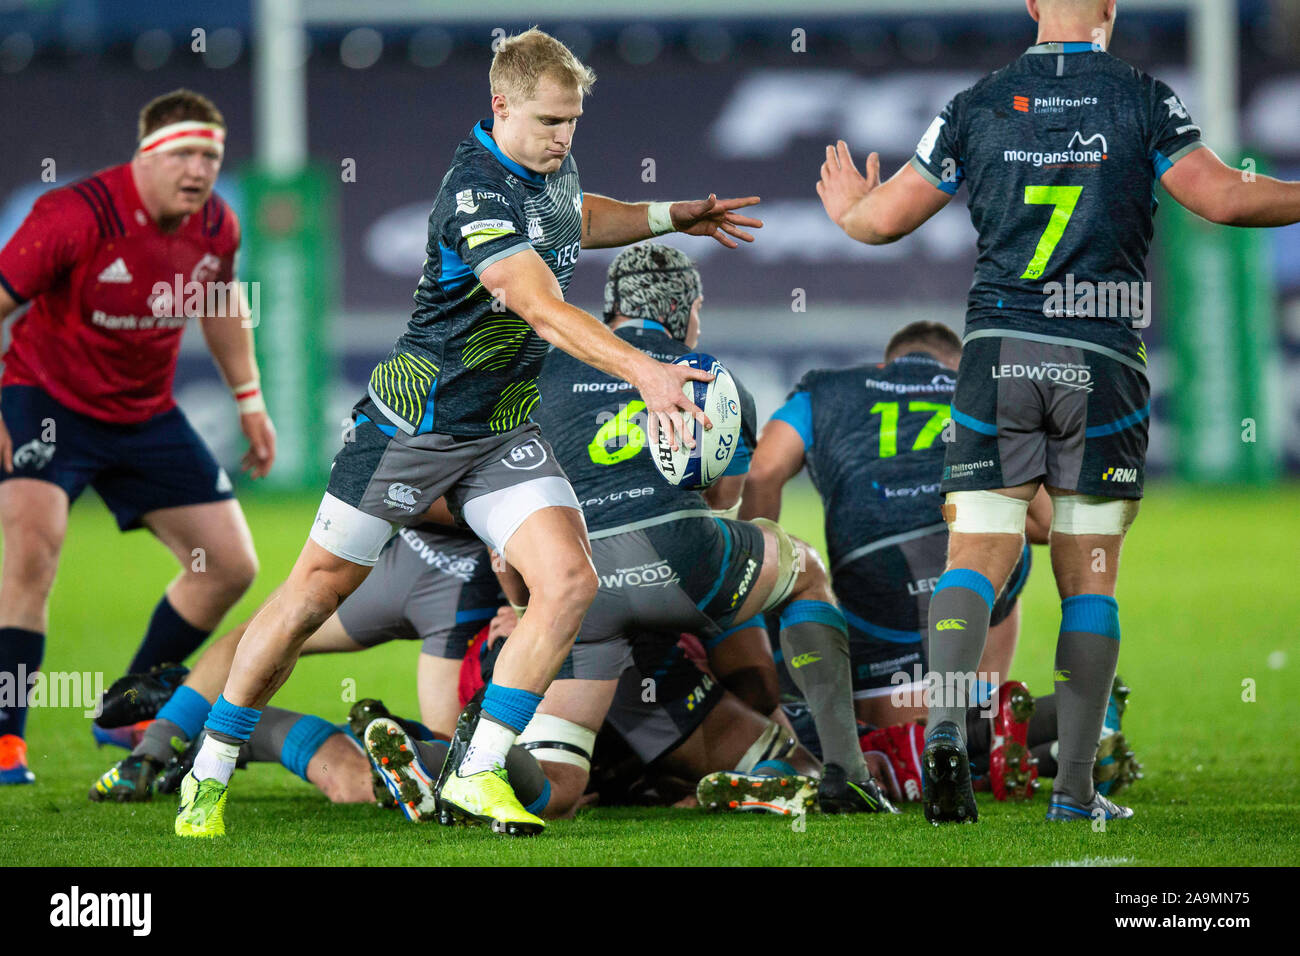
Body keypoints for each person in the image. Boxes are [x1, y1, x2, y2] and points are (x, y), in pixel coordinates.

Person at [175, 28, 764, 838]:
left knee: (568, 581)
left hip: (499, 432)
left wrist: (671, 215)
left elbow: (576, 219)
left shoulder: (550, 166)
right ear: (501, 106)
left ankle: (477, 772)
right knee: (312, 595)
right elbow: (539, 303)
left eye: (573, 122)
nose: (563, 136)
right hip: (412, 428)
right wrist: (644, 369)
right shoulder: (476, 192)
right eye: (550, 121)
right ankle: (207, 767)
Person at [816, 0, 1300, 823]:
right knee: (1089, 576)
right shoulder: (1143, 98)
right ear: (1110, 5)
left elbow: (881, 221)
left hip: (999, 350)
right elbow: (1221, 199)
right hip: (1100, 358)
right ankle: (1074, 790)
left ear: (1033, 5)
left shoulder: (977, 103)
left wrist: (850, 212)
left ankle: (943, 730)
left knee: (977, 550)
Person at [463, 242, 895, 822]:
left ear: (610, 309)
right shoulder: (711, 377)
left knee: (561, 783)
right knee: (805, 570)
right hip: (682, 558)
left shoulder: (543, 370)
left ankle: (469, 754)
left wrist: (524, 589)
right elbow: (723, 504)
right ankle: (848, 773)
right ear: (688, 311)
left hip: (576, 583)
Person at [0, 89, 274, 786]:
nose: (199, 168)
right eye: (183, 152)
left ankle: (123, 705)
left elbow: (221, 303)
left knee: (230, 567)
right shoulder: (73, 214)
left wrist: (250, 401)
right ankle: (5, 741)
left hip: (144, 414)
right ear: (145, 156)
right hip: (44, 399)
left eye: (210, 155)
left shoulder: (217, 225)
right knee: (34, 556)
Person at [742, 320, 1050, 799]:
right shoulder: (981, 390)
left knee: (886, 739)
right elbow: (1045, 521)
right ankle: (999, 710)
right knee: (1004, 542)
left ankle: (962, 735)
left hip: (877, 573)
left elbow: (762, 471)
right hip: (965, 568)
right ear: (954, 367)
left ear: (887, 362)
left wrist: (758, 572)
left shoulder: (826, 388)